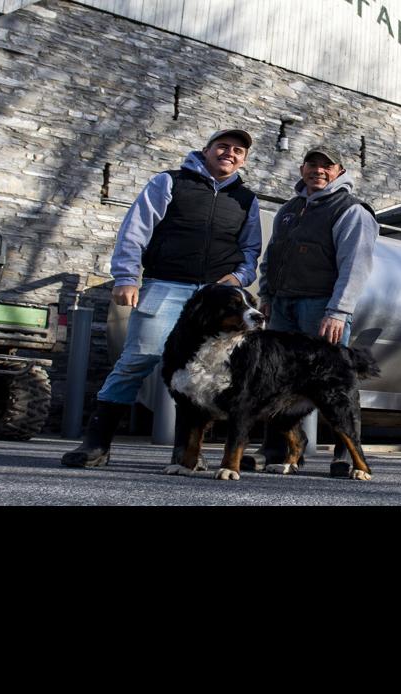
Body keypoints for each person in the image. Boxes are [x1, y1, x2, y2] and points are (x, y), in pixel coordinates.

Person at [61, 128, 263, 467]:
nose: (230, 153)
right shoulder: (169, 182)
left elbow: (251, 249)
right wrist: (127, 276)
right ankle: (96, 445)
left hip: (216, 298)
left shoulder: (246, 200)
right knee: (138, 359)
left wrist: (241, 277)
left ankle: (186, 453)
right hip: (165, 286)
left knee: (205, 371)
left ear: (244, 159)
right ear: (206, 149)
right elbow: (135, 229)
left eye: (238, 150)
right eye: (222, 146)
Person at [254, 144, 379, 475]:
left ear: (339, 171)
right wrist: (266, 294)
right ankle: (278, 451)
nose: (318, 170)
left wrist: (338, 310)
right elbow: (272, 256)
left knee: (335, 384)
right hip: (282, 306)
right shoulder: (289, 209)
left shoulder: (351, 210)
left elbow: (356, 265)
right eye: (312, 164)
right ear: (302, 169)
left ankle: (346, 455)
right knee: (276, 379)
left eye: (327, 165)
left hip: (321, 307)